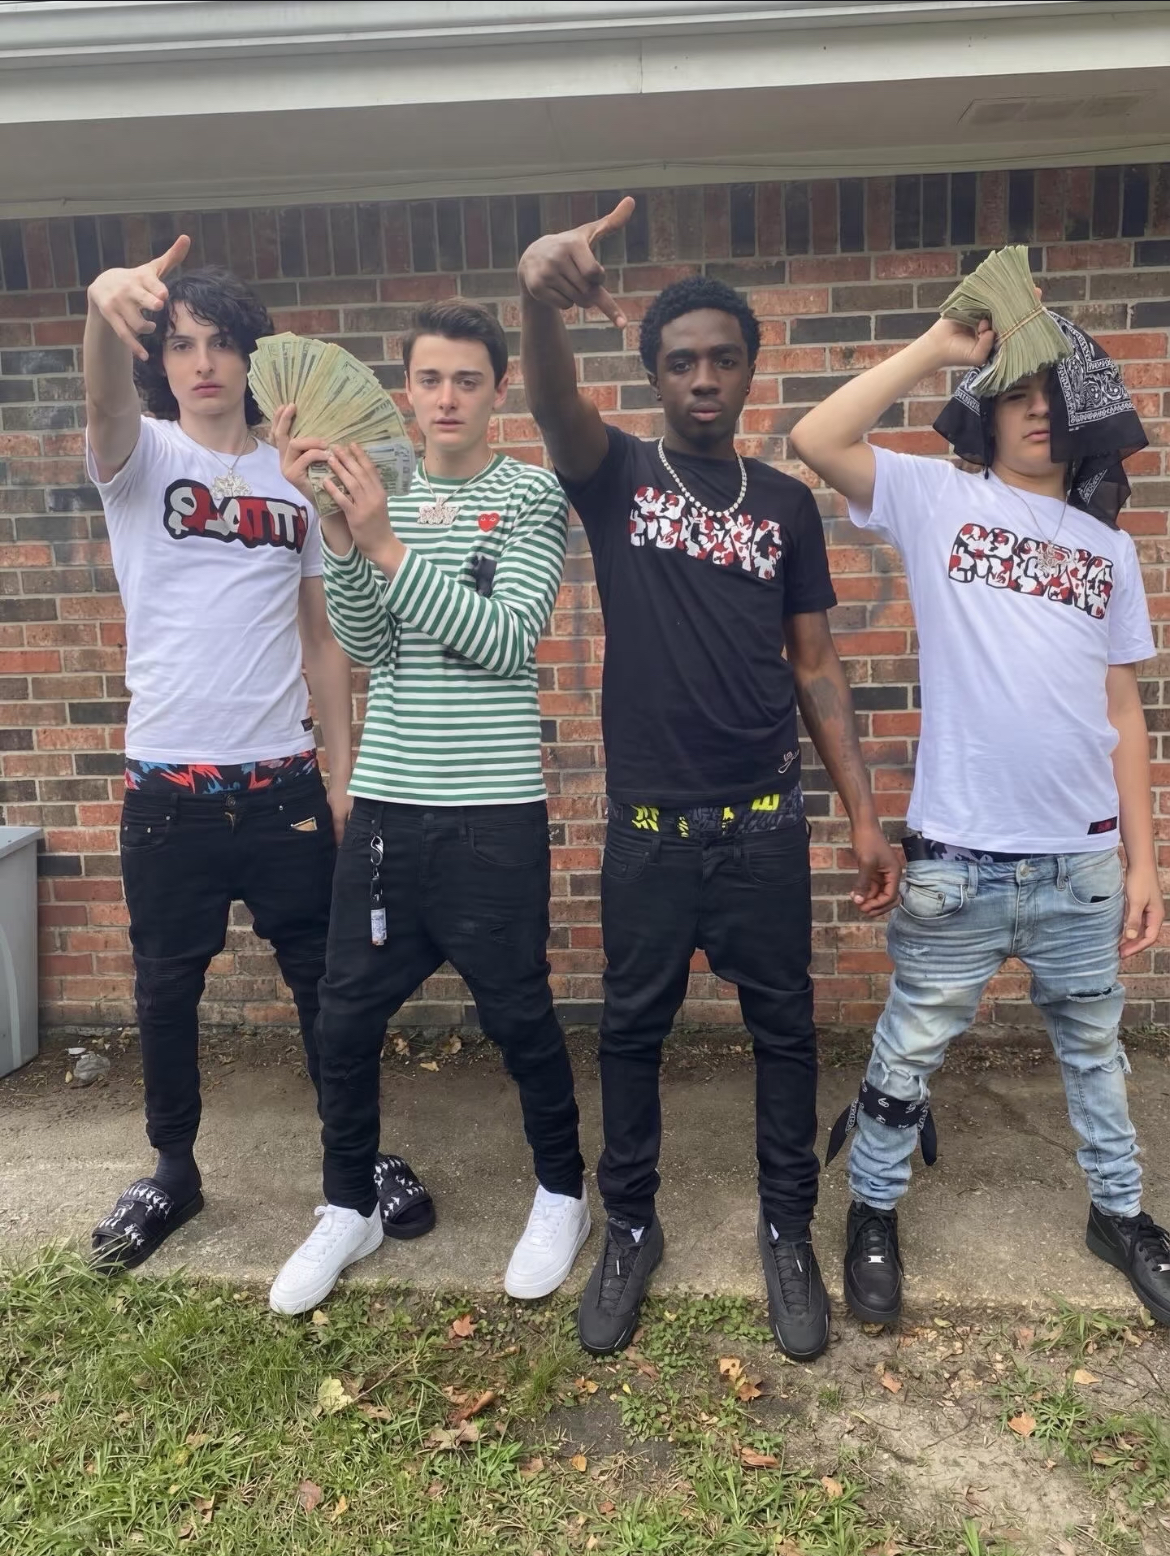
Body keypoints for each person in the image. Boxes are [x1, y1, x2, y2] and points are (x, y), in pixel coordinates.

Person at [517, 199, 900, 1361]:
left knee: (785, 1030)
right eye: (680, 360)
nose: (702, 378)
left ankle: (788, 1227)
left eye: (722, 359)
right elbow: (552, 403)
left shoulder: (784, 504)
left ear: (747, 371)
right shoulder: (619, 476)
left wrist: (865, 816)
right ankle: (630, 1225)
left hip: (763, 828)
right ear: (653, 375)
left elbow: (816, 663)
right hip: (648, 832)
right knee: (631, 1032)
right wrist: (537, 294)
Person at [790, 303, 1170, 1328]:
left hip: (1081, 864)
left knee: (1096, 1053)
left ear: (1085, 415)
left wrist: (1145, 862)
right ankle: (873, 1208)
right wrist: (937, 348)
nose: (1037, 412)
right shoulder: (939, 499)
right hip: (960, 861)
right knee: (909, 1049)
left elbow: (1123, 712)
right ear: (986, 413)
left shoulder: (1108, 550)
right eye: (1016, 395)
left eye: (1054, 396)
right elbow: (817, 437)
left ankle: (1121, 1214)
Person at [268, 299, 589, 1315]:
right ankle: (347, 1204)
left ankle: (562, 1190)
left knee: (519, 1013)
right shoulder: (381, 490)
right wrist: (338, 526)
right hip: (388, 808)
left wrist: (385, 545)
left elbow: (506, 639)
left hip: (491, 810)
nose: (446, 398)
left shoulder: (530, 494)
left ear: (498, 391)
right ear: (405, 390)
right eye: (429, 379)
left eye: (467, 380)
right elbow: (368, 643)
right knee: (344, 1015)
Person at [84, 238, 355, 1270]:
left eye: (221, 342)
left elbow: (322, 642)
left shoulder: (294, 478)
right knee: (166, 990)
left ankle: (354, 1155)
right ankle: (172, 1170)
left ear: (249, 354)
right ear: (159, 360)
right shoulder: (141, 456)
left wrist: (341, 776)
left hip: (283, 784)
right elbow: (103, 400)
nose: (202, 362)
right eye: (181, 344)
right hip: (170, 792)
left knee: (325, 982)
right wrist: (101, 308)